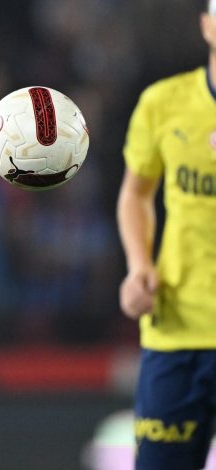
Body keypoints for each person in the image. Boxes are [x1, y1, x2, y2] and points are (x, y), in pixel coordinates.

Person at [117, 2, 216, 469]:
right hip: (177, 327)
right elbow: (136, 193)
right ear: (206, 25)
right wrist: (139, 266)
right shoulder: (163, 102)